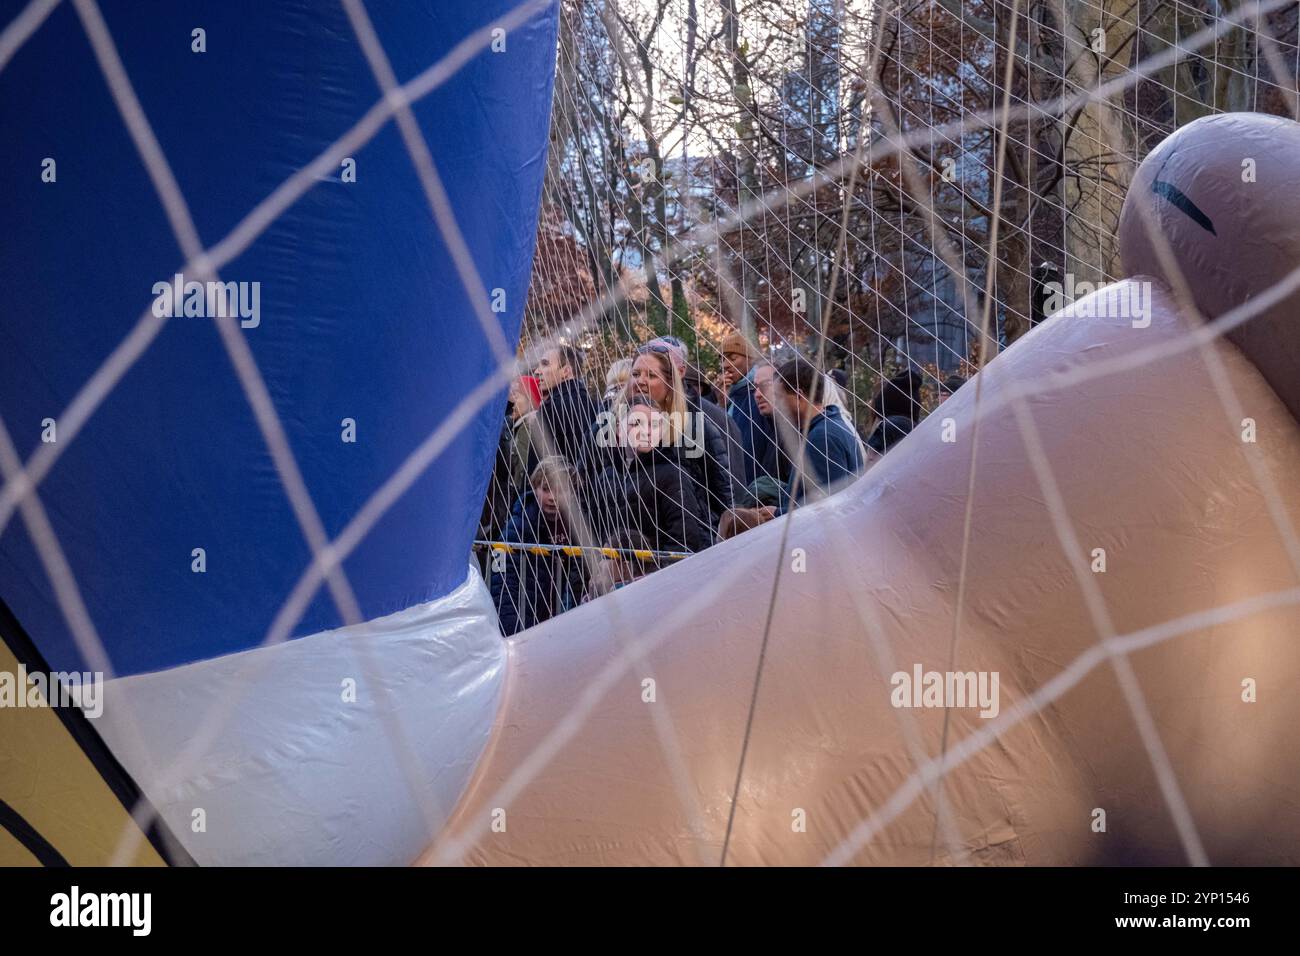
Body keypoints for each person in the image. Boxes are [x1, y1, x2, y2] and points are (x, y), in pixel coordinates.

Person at [721, 354, 865, 536]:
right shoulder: (829, 426)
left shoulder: (823, 438)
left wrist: (778, 514)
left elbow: (827, 506)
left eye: (779, 397)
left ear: (799, 396)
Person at [629, 340, 734, 527]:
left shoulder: (695, 427)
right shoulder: (611, 424)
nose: (640, 381)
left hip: (689, 541)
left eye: (651, 375)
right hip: (625, 542)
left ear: (671, 381)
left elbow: (723, 495)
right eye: (635, 374)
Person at [600, 397, 714, 554]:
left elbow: (685, 541)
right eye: (636, 423)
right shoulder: (608, 474)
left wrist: (651, 572)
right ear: (619, 428)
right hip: (613, 572)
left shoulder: (673, 475)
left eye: (654, 425)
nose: (646, 431)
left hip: (656, 574)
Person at [490, 456, 586, 635]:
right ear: (535, 488)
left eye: (561, 491)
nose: (552, 498)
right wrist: (515, 630)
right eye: (546, 489)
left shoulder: (580, 528)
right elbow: (502, 584)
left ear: (573, 493)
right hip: (526, 625)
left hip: (565, 622)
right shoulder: (517, 527)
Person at [477, 374, 543, 557]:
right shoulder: (509, 425)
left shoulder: (525, 428)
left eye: (518, 394)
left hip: (498, 510)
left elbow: (518, 469)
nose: (514, 398)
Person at [533, 344, 602, 475]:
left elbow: (536, 467)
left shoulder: (551, 408)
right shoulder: (597, 406)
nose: (537, 371)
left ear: (566, 371)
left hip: (554, 491)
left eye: (545, 364)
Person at [721, 331, 777, 488]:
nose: (725, 364)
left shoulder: (757, 396)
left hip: (755, 487)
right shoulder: (734, 396)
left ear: (750, 360)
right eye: (722, 359)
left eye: (732, 358)